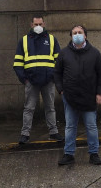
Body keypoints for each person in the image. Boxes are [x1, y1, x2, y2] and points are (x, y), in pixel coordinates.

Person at [54, 25, 101, 166]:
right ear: (71, 36)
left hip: (89, 97)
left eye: (80, 32)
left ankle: (94, 153)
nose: (77, 35)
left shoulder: (95, 53)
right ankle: (69, 154)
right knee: (70, 126)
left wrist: (100, 93)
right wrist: (60, 89)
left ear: (85, 35)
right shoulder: (64, 53)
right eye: (74, 33)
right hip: (70, 97)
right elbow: (57, 73)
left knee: (91, 126)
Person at [13, 16, 63, 144]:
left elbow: (59, 61)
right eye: (36, 24)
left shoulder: (51, 39)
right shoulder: (24, 41)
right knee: (29, 108)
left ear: (44, 24)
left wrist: (53, 77)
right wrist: (25, 80)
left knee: (50, 107)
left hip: (48, 81)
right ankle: (25, 134)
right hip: (31, 81)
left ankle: (53, 132)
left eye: (40, 23)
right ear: (31, 25)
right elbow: (18, 63)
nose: (38, 26)